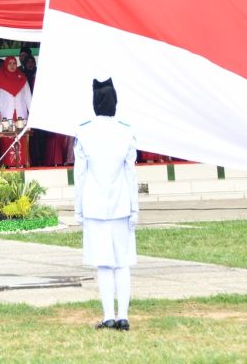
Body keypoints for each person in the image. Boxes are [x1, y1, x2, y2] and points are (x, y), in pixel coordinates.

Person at [75, 78, 138, 331]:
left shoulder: (84, 131)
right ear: (115, 103)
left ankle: (109, 316)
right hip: (121, 203)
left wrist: (77, 208)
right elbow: (131, 174)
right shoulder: (126, 130)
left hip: (94, 205)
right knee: (122, 262)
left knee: (104, 263)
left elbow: (80, 175)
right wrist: (135, 208)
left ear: (94, 103)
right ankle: (123, 316)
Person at [0, 56, 30, 121]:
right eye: (9, 63)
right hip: (5, 111)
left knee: (22, 128)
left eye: (14, 63)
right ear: (6, 64)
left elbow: (28, 97)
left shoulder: (22, 78)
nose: (12, 66)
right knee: (7, 129)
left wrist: (31, 112)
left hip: (21, 110)